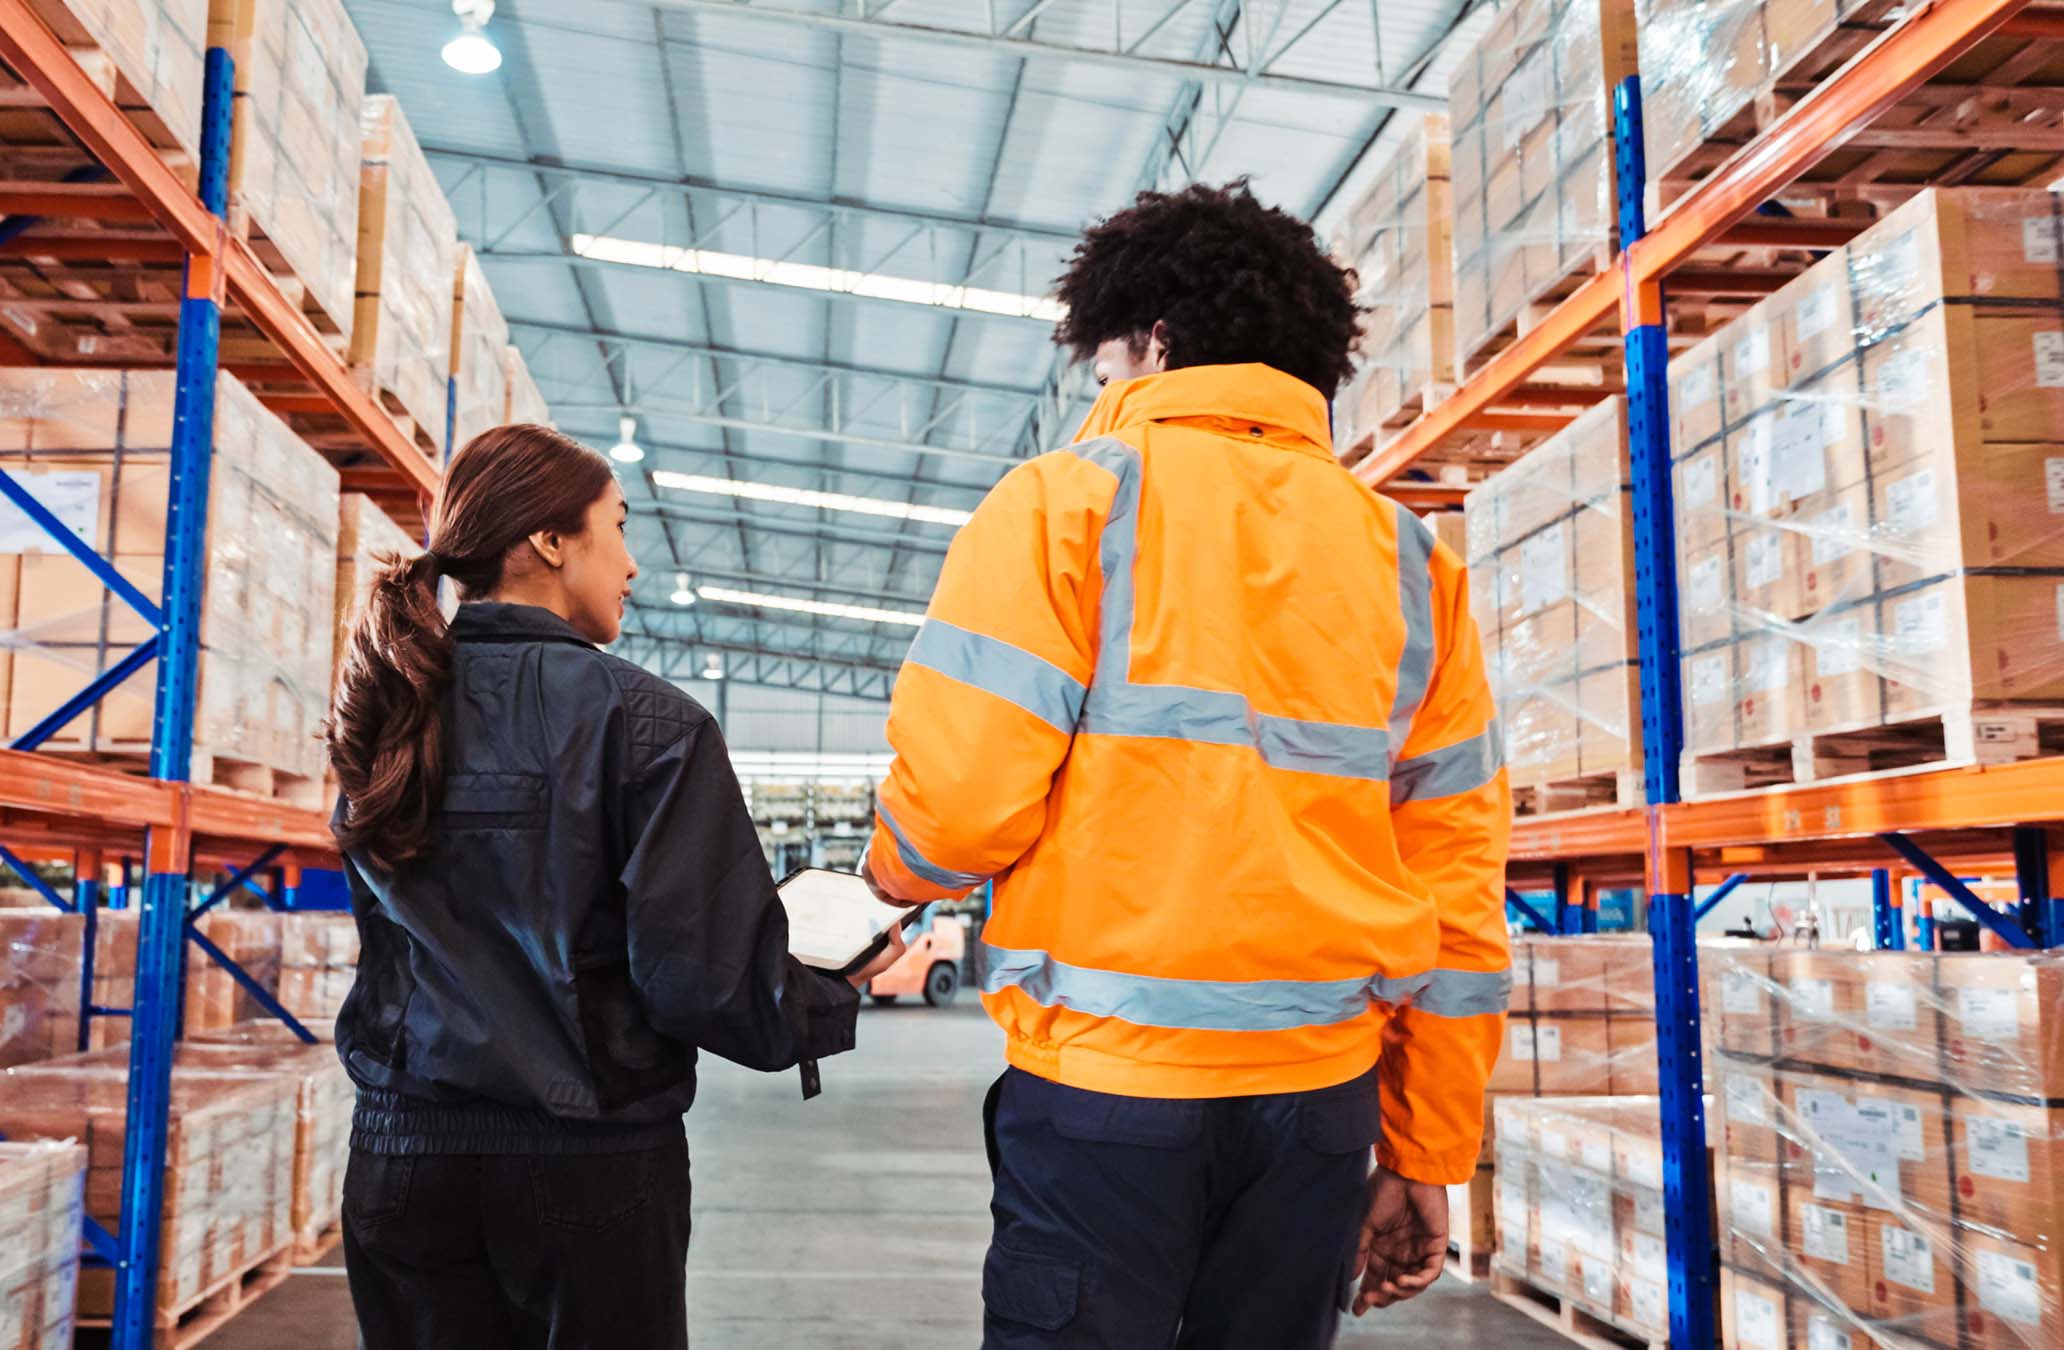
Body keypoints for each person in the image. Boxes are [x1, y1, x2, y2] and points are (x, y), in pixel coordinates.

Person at [863, 180, 1512, 1348]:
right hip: (1319, 1106)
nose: (1102, 391)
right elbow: (1459, 881)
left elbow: (958, 809)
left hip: (1110, 1091)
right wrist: (1428, 1147)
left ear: (1155, 341)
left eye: (1107, 362)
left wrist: (891, 882)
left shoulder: (1066, 507)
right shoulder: (1412, 562)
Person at [327, 423, 904, 1349]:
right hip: (583, 1173)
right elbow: (705, 981)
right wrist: (831, 989)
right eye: (619, 528)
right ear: (551, 543)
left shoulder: (390, 711)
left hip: (402, 1164)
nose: (632, 565)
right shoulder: (651, 727)